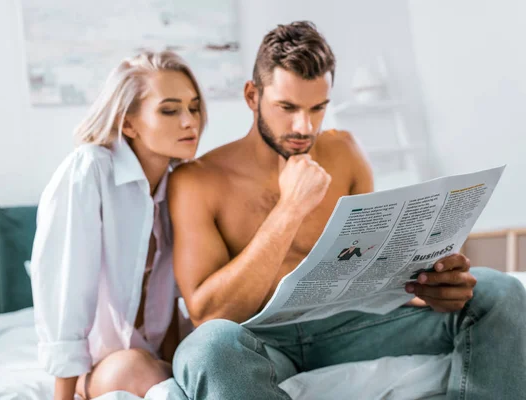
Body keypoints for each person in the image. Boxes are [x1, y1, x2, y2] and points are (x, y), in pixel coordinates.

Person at [168, 21, 526, 399]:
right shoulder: (198, 181)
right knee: (205, 347)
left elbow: (370, 272)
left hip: (349, 325)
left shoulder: (345, 152)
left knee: (500, 291)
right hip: (264, 339)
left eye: (317, 108)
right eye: (287, 107)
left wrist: (430, 286)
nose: (303, 127)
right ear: (252, 96)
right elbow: (207, 315)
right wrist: (290, 209)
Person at [29, 51, 207, 400]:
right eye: (170, 110)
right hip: (99, 367)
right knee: (131, 369)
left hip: (154, 356)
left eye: (194, 107)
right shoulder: (89, 171)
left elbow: (170, 299)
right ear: (128, 123)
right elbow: (66, 292)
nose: (190, 121)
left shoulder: (184, 182)